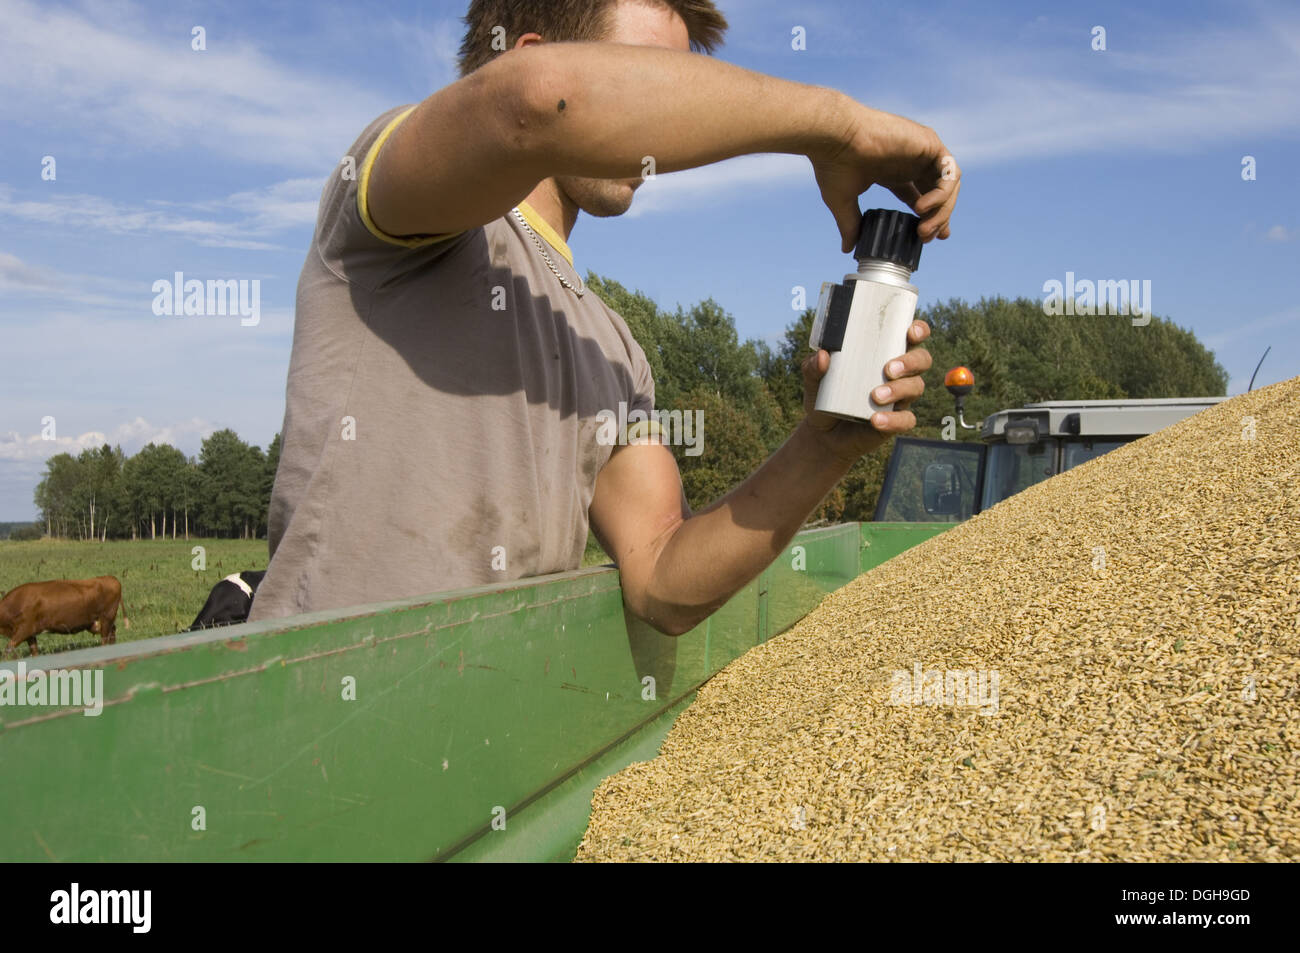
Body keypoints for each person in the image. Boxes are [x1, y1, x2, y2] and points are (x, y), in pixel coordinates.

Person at [249, 0, 961, 633]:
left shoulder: (612, 346)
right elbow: (532, 104)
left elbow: (661, 580)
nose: (672, 123)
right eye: (649, 81)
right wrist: (835, 129)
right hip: (308, 732)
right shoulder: (404, 201)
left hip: (477, 745)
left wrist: (824, 447)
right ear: (532, 54)